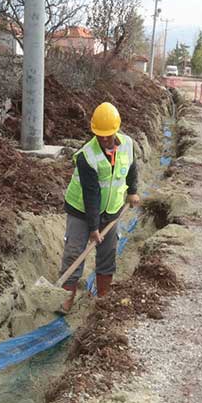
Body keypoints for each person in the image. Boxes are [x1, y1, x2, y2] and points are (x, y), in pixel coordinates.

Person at [58, 101, 141, 313]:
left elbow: (132, 169)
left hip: (111, 211)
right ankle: (66, 298)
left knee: (108, 251)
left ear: (116, 130)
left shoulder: (128, 145)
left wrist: (132, 191)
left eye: (108, 134)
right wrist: (93, 228)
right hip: (81, 209)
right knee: (75, 252)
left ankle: (103, 296)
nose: (104, 139)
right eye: (100, 135)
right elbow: (91, 195)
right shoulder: (88, 156)